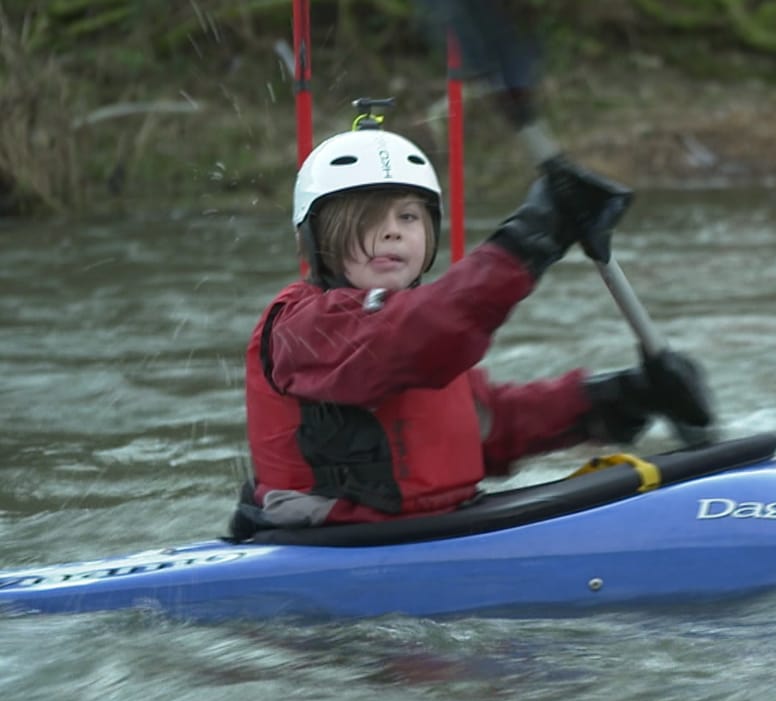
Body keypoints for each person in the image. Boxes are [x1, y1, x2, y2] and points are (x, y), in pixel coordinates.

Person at [235, 125, 710, 533]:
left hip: (437, 532)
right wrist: (529, 240)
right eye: (366, 219)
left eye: (407, 216)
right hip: (339, 551)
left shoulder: (416, 317)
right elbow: (414, 337)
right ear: (318, 240)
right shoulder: (302, 326)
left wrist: (614, 399)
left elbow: (490, 428)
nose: (391, 231)